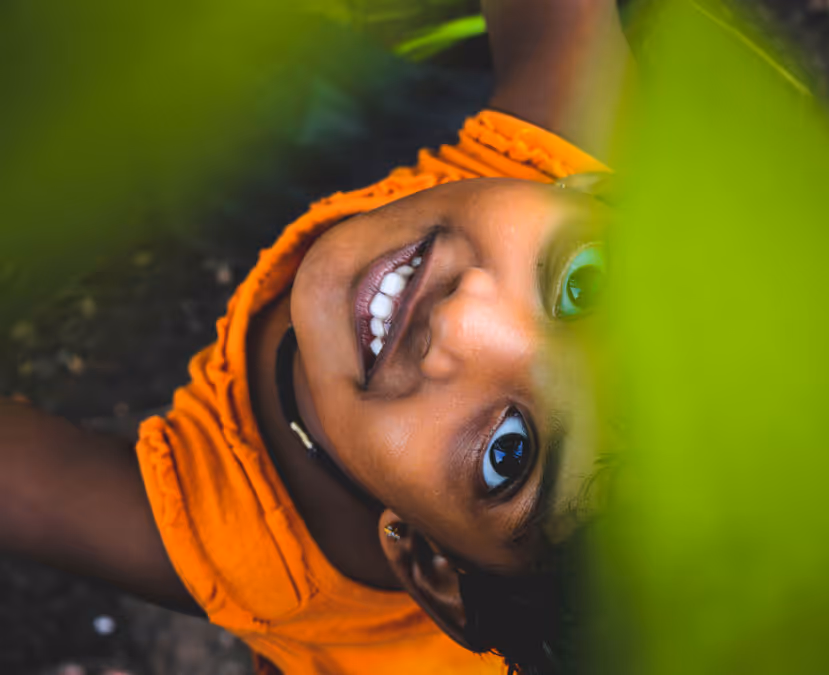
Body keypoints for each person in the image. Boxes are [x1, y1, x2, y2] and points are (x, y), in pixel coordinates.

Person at [0, 0, 634, 673]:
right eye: (584, 288)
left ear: (432, 563)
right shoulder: (555, 155)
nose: (463, 318)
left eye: (508, 454)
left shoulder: (251, 549)